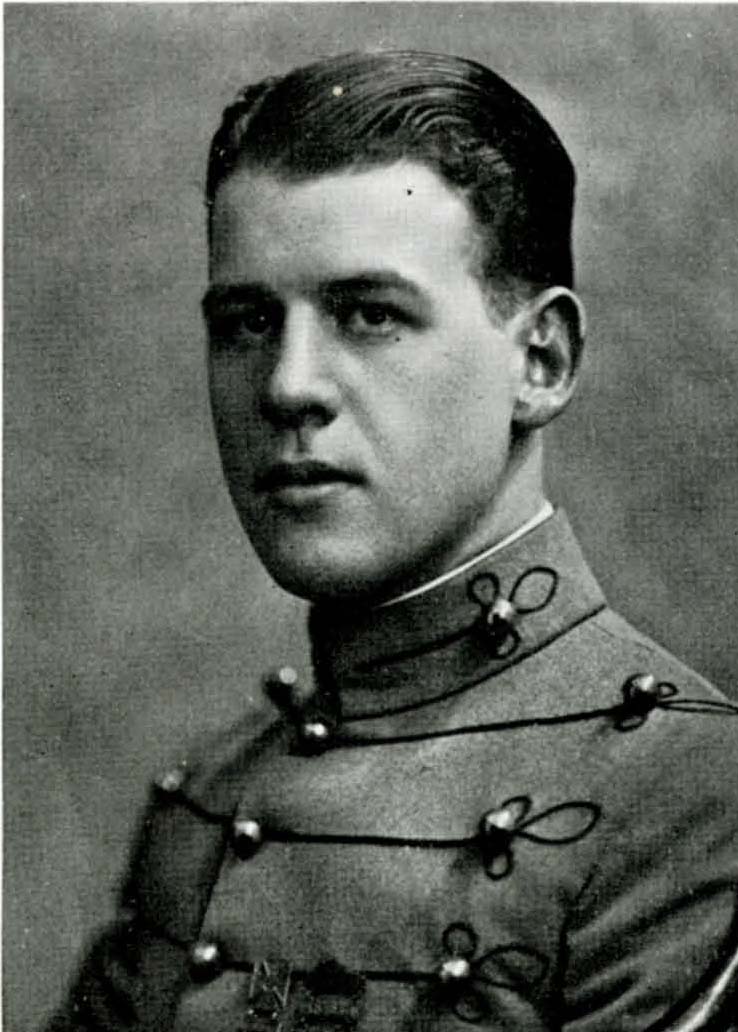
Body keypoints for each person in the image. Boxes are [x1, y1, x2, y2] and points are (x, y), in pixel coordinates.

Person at [49, 49, 738, 1032]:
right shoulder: (207, 797)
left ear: (541, 361)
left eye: (370, 315)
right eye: (247, 321)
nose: (289, 386)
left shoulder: (693, 797)